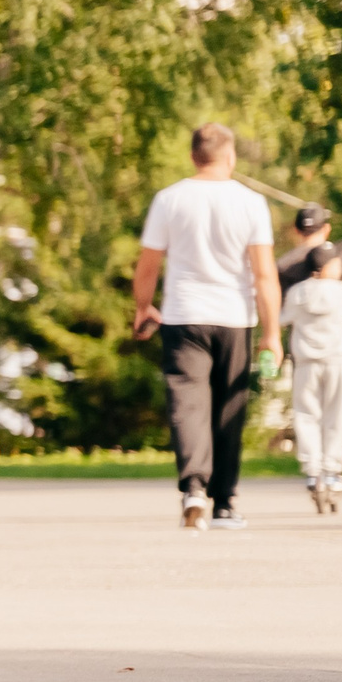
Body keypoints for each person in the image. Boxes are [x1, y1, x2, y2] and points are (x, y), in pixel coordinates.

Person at [132, 122, 283, 531]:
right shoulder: (250, 202)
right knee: (228, 409)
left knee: (188, 404)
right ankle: (225, 504)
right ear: (230, 156)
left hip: (183, 316)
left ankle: (194, 487)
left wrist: (143, 307)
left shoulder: (169, 199)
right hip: (234, 318)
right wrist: (272, 334)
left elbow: (148, 264)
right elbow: (265, 274)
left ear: (193, 156)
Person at [281, 243, 342, 510]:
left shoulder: (297, 292)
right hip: (337, 360)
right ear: (327, 266)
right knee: (337, 415)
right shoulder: (341, 292)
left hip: (306, 362)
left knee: (306, 415)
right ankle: (332, 472)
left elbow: (284, 318)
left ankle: (313, 471)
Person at [277, 202, 342, 308]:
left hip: (300, 324)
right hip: (340, 323)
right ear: (326, 229)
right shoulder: (340, 256)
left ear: (296, 230)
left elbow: (276, 304)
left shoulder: (283, 265)